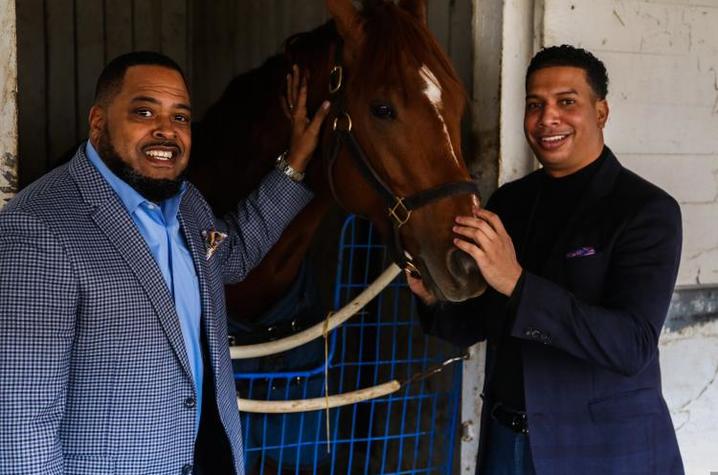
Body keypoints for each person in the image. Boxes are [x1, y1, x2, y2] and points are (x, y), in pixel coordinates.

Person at [0, 52, 330, 474]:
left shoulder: (187, 204)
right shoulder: (40, 227)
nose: (166, 132)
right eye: (144, 112)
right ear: (98, 122)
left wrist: (296, 162)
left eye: (180, 118)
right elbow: (16, 419)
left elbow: (235, 255)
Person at [408, 45, 684, 474]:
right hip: (505, 443)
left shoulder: (645, 210)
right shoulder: (511, 203)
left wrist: (517, 282)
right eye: (535, 104)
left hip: (601, 449)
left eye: (566, 102)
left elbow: (631, 346)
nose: (547, 117)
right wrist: (434, 298)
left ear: (602, 112)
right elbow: (482, 321)